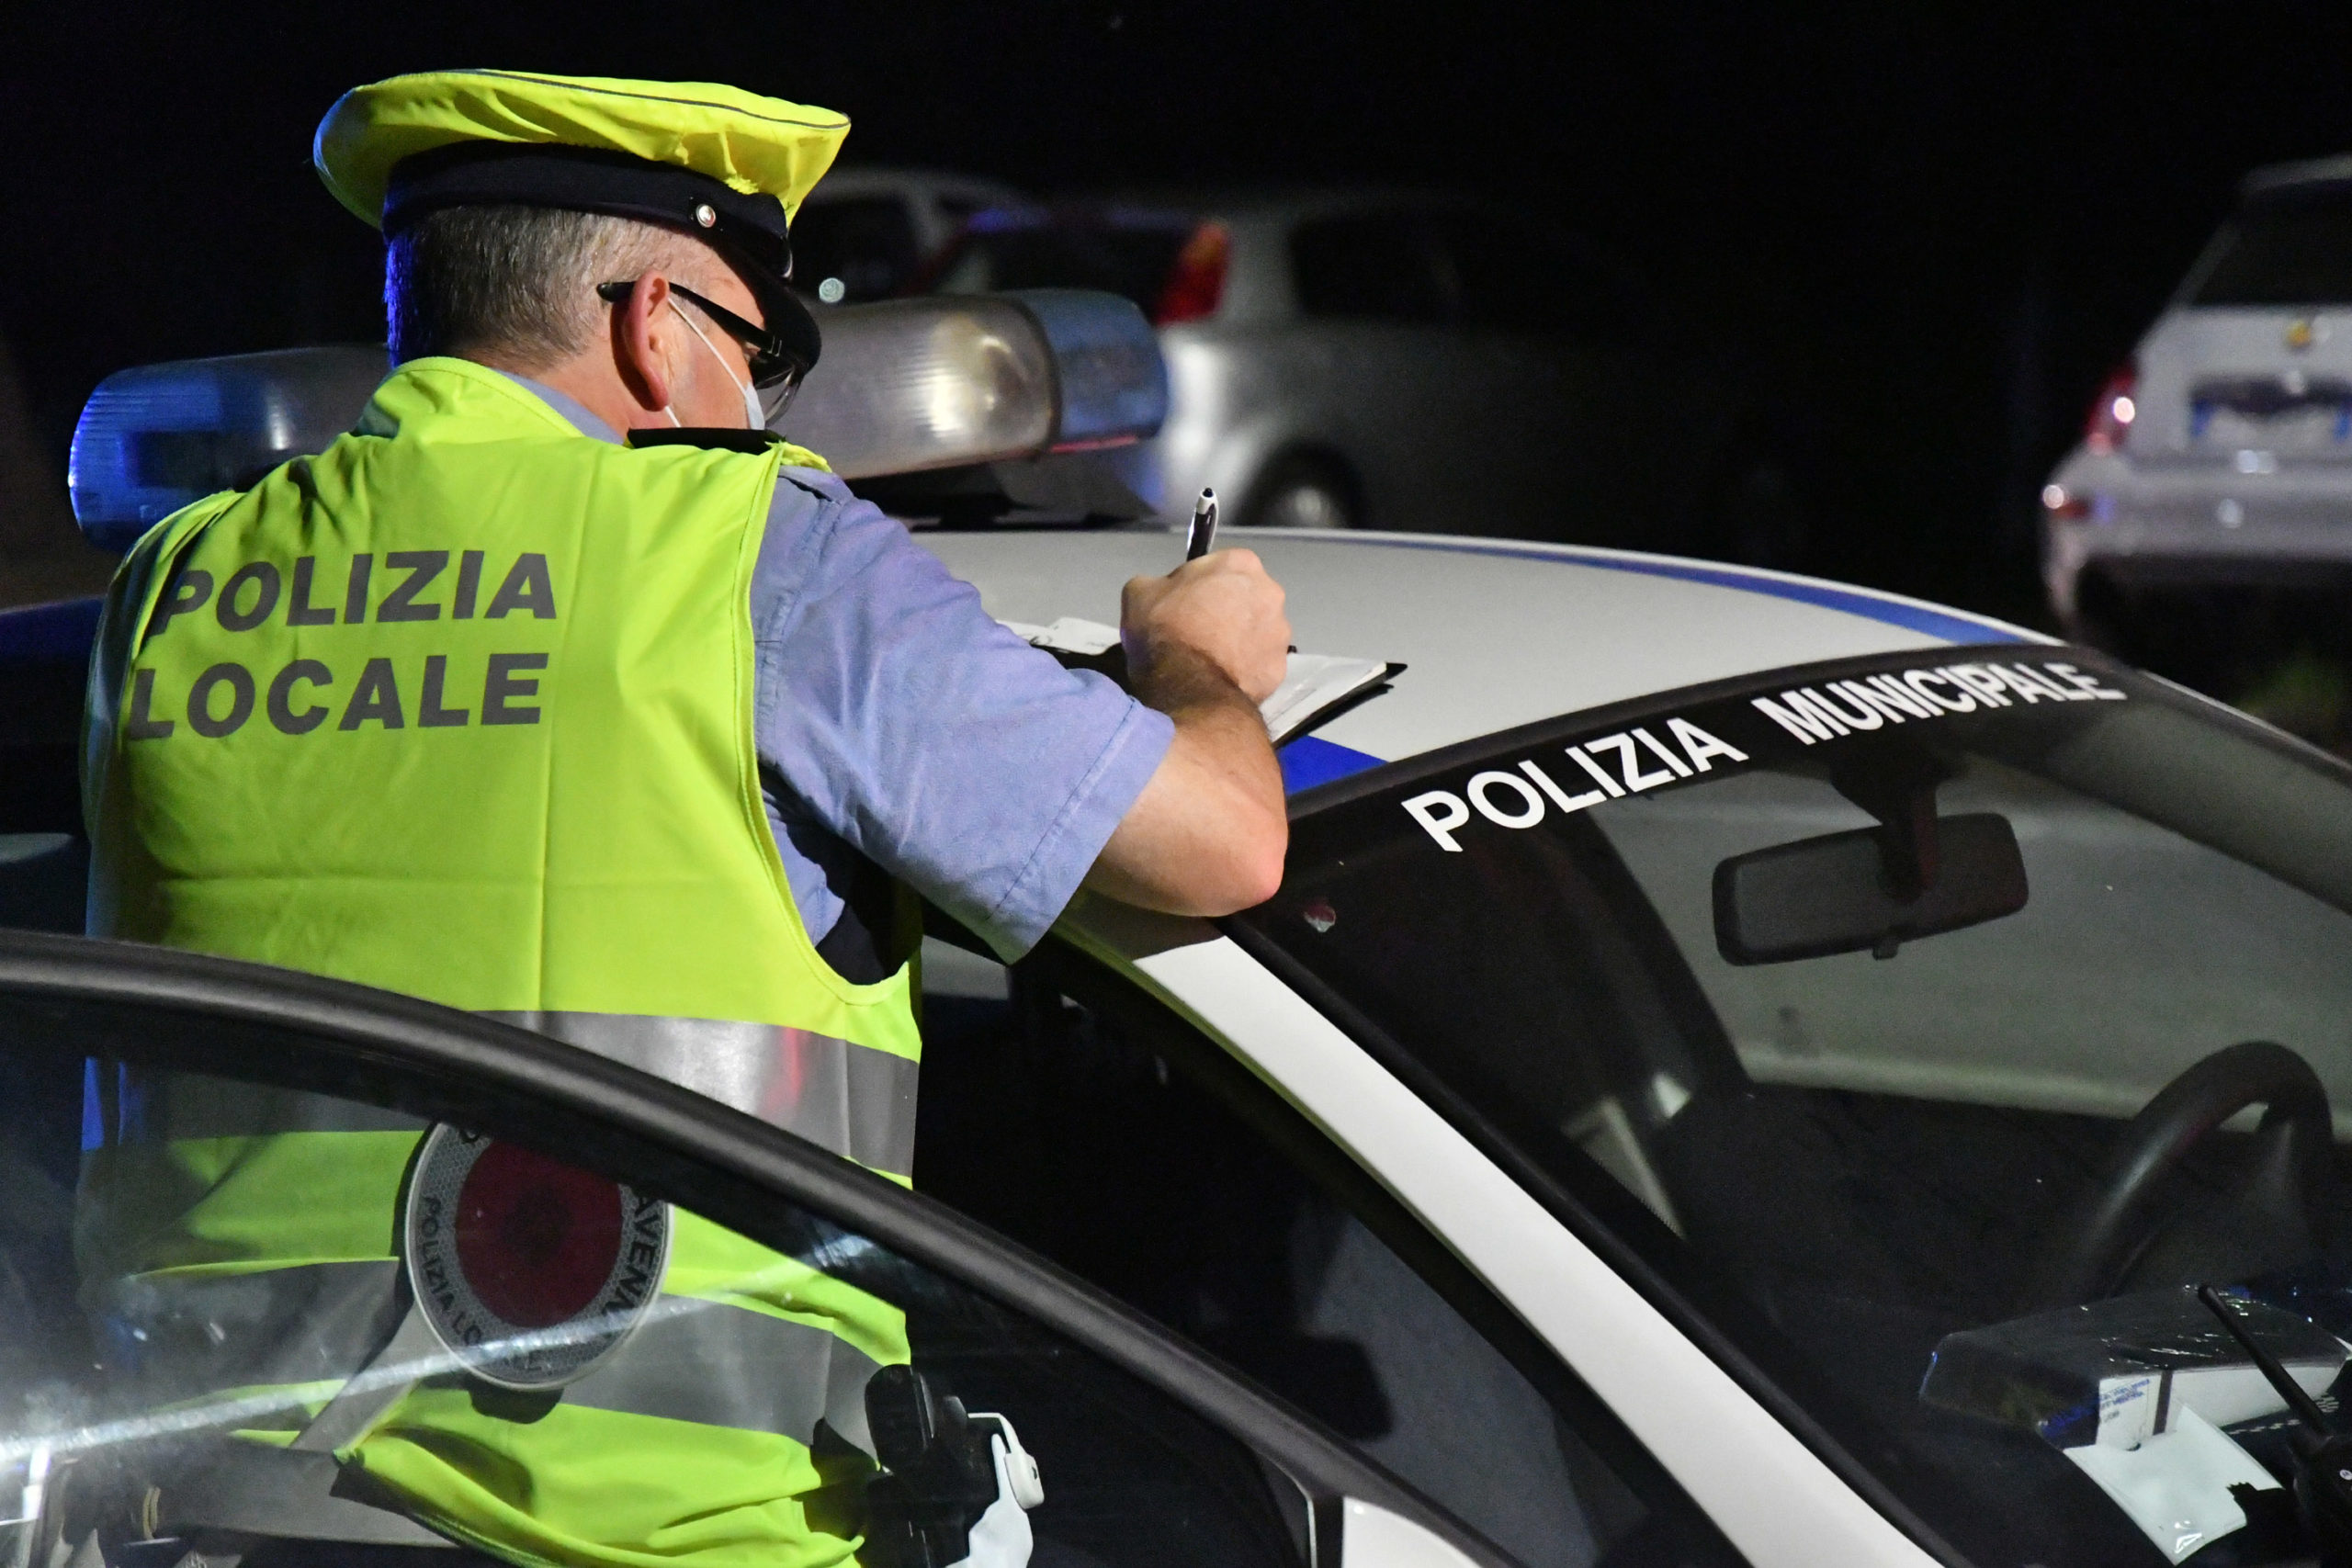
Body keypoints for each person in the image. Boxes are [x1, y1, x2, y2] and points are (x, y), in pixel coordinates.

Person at [74, 70, 1290, 1568]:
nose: (756, 401)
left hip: (217, 1530)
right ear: (657, 325)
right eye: (758, 350)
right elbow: (1224, 842)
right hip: (669, 1541)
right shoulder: (754, 560)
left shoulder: (178, 588)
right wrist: (1197, 659)